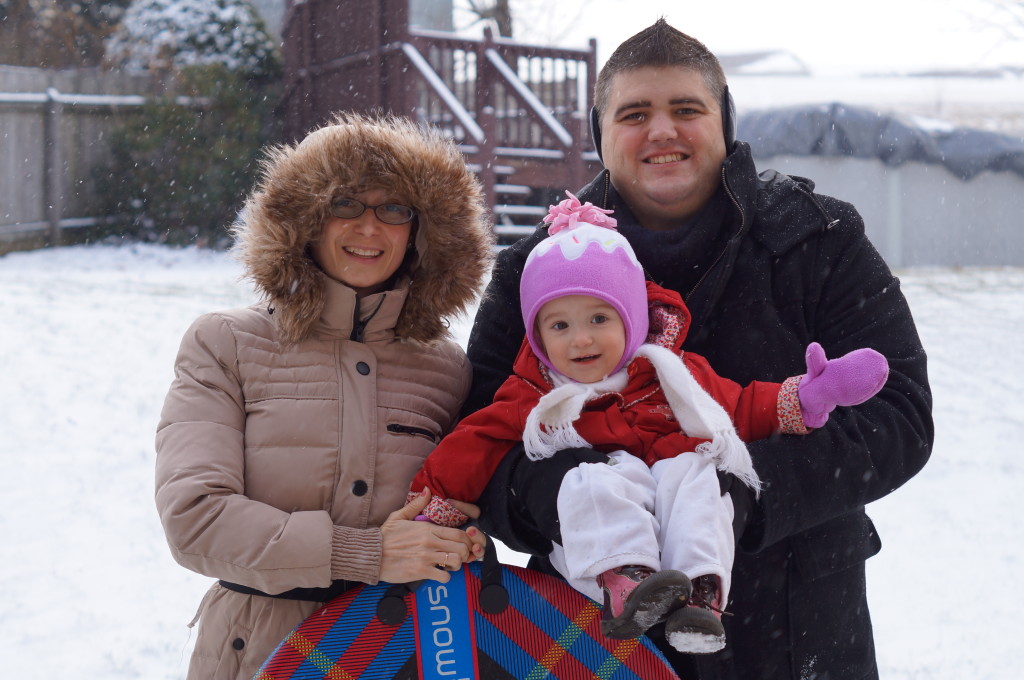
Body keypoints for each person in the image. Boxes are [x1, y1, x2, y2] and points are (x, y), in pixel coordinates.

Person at [464, 19, 934, 680]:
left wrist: (744, 492)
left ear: (724, 123)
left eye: (686, 109)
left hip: (801, 625)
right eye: (634, 113)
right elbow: (480, 441)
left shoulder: (818, 238)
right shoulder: (533, 269)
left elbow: (900, 418)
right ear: (601, 134)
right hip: (597, 630)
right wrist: (570, 494)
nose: (662, 131)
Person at [409, 192, 889, 654]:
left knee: (699, 473)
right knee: (589, 477)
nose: (581, 340)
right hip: (592, 546)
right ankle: (626, 581)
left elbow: (738, 408)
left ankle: (699, 595)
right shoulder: (534, 393)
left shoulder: (672, 373)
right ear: (535, 336)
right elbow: (474, 443)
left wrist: (806, 396)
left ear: (633, 319)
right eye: (559, 326)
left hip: (670, 517)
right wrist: (432, 508)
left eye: (599, 318)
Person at [154, 113, 494, 680]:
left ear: (420, 229)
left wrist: (456, 534)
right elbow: (195, 518)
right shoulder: (226, 344)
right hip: (259, 651)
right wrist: (364, 554)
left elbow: (460, 493)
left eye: (394, 209)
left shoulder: (446, 368)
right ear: (306, 217)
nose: (369, 228)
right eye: (345, 205)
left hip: (401, 653)